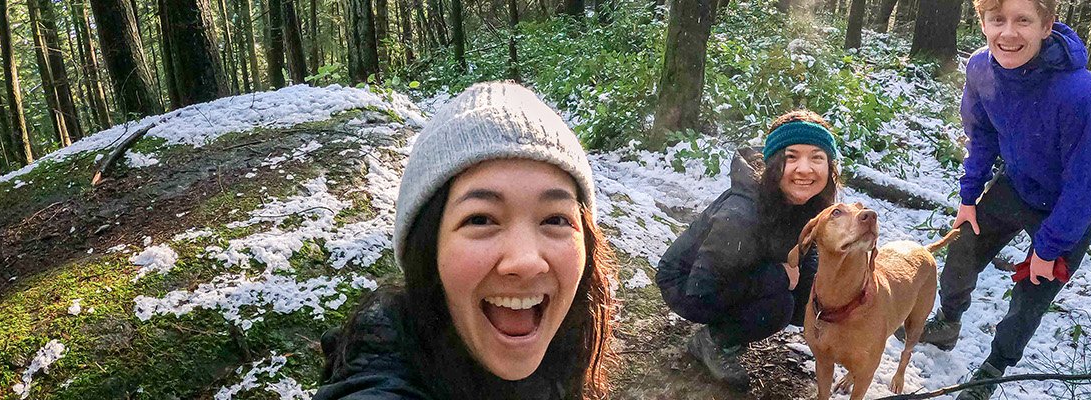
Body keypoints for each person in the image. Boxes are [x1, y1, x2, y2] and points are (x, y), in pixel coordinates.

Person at [314, 82, 616, 400]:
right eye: (480, 219)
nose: (526, 261)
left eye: (555, 220)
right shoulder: (382, 384)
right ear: (428, 249)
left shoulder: (566, 353)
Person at [914, 0, 1091, 398]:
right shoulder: (980, 69)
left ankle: (993, 369)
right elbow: (983, 135)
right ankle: (948, 322)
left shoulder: (1079, 93)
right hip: (1018, 185)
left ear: (1046, 26)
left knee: (1032, 292)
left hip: (1067, 206)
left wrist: (1049, 246)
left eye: (1023, 20)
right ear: (983, 23)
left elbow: (1088, 185)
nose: (1008, 33)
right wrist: (969, 196)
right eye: (997, 20)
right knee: (963, 247)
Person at [656, 110, 842, 389]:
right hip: (686, 285)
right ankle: (713, 342)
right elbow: (702, 288)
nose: (805, 169)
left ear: (830, 168)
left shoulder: (808, 203)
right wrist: (778, 277)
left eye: (817, 157)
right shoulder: (741, 214)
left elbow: (808, 256)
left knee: (803, 299)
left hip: (737, 271)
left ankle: (745, 317)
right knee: (779, 306)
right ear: (774, 163)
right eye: (791, 157)